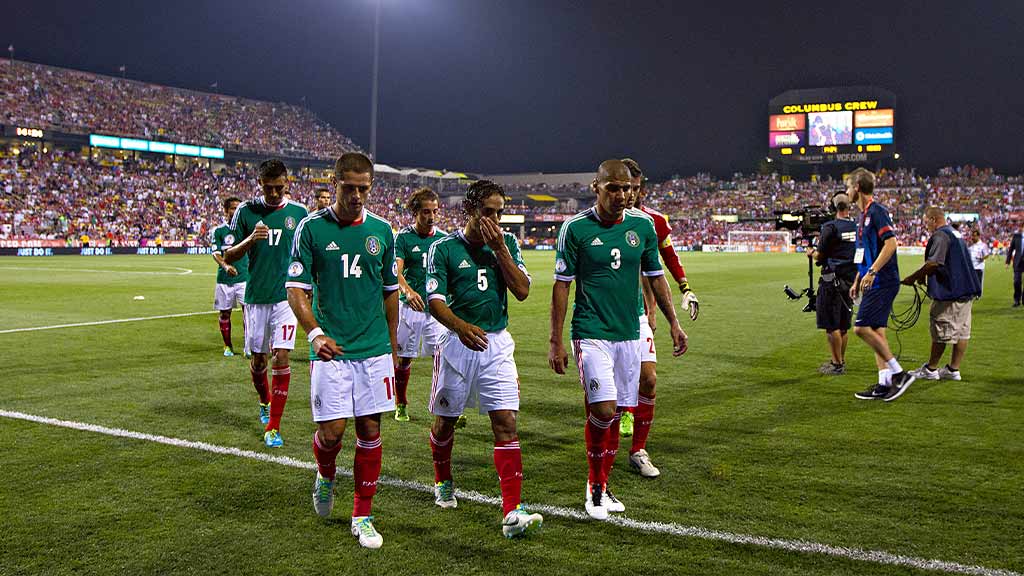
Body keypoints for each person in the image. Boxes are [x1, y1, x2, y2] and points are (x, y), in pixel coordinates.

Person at [548, 160, 687, 521]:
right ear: (596, 187)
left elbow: (656, 276)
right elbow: (562, 286)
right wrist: (555, 340)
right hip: (591, 331)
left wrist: (674, 323)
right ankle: (595, 488)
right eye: (613, 188)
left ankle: (604, 484)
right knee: (604, 410)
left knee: (617, 413)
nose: (622, 195)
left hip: (630, 332)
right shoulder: (575, 228)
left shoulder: (642, 226)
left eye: (627, 189)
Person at [285, 152, 399, 549]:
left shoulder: (382, 231)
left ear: (371, 187)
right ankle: (325, 474)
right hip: (330, 348)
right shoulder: (311, 228)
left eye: (363, 188)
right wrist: (315, 334)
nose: (356, 195)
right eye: (349, 187)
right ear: (335, 183)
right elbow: (295, 288)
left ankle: (362, 516)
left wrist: (392, 344)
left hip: (373, 348)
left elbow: (390, 292)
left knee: (370, 430)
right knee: (331, 433)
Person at [424, 180, 543, 538]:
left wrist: (500, 249)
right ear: (469, 210)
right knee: (445, 422)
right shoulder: (443, 248)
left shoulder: (507, 244)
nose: (493, 219)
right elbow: (434, 301)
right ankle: (443, 481)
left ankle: (512, 511)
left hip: (497, 344)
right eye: (487, 212)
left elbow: (522, 290)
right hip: (457, 344)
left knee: (506, 423)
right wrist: (460, 326)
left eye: (499, 213)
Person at [618, 158, 698, 479]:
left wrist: (682, 291)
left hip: (641, 310)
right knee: (614, 382)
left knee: (648, 378)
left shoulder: (651, 222)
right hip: (606, 314)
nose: (631, 194)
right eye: (625, 188)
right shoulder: (595, 223)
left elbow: (663, 263)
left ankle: (637, 448)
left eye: (635, 188)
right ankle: (616, 423)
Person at [224, 159, 308, 447]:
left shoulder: (299, 213)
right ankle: (264, 401)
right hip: (257, 297)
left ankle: (273, 426)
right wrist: (250, 239)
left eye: (279, 188)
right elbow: (228, 255)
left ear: (287, 183)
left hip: (287, 297)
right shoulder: (246, 211)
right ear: (259, 183)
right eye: (268, 187)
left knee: (281, 357)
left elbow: (307, 255)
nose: (273, 193)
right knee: (259, 360)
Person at [846, 167, 916, 402]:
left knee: (861, 328)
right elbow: (864, 253)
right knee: (877, 331)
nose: (847, 191)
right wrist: (858, 278)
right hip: (872, 281)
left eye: (848, 186)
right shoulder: (862, 216)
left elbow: (891, 244)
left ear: (857, 187)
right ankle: (884, 383)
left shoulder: (877, 211)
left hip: (883, 281)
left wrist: (873, 272)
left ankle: (899, 374)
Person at [905, 207, 981, 381]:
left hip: (951, 292)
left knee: (941, 331)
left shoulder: (941, 235)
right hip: (966, 291)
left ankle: (931, 369)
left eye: (926, 221)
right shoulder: (955, 233)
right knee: (962, 333)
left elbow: (934, 263)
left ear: (933, 219)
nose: (926, 225)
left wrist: (913, 277)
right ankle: (953, 369)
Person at [393, 187, 448, 422]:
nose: (431, 216)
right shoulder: (403, 238)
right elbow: (396, 271)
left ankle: (444, 406)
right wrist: (408, 291)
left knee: (443, 358)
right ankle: (401, 403)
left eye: (435, 211)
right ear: (415, 212)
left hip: (437, 310)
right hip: (409, 308)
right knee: (404, 358)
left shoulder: (444, 238)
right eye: (426, 211)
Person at [810, 192, 858, 375]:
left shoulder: (830, 227)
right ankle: (840, 361)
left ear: (833, 208)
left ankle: (836, 365)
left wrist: (811, 253)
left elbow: (820, 255)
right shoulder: (856, 226)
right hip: (850, 281)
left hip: (832, 281)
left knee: (832, 326)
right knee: (843, 326)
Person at [210, 196, 249, 358]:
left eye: (239, 208)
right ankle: (228, 345)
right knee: (225, 314)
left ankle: (249, 346)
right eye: (233, 208)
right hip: (225, 280)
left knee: (249, 313)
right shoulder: (219, 231)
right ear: (226, 211)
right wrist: (226, 266)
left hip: (244, 278)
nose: (237, 211)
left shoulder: (246, 229)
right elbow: (215, 253)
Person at [967, 229, 991, 297]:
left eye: (974, 236)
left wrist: (981, 258)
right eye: (972, 236)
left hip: (979, 266)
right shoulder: (970, 245)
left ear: (978, 236)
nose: (973, 237)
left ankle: (978, 294)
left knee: (978, 281)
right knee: (971, 281)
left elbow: (987, 255)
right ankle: (972, 293)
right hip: (971, 266)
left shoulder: (983, 245)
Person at [1007, 224, 1024, 307]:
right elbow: (1011, 249)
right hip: (1018, 262)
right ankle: (1017, 300)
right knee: (1016, 281)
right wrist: (1007, 261)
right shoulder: (1016, 236)